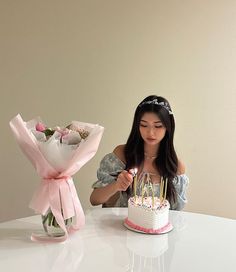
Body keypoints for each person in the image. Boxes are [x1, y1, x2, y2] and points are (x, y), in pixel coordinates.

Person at [90, 95, 189, 210]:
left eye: (158, 126)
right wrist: (116, 185)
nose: (150, 132)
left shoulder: (176, 167)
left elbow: (176, 214)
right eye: (144, 125)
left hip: (156, 227)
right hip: (119, 226)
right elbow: (94, 200)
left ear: (168, 127)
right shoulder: (122, 155)